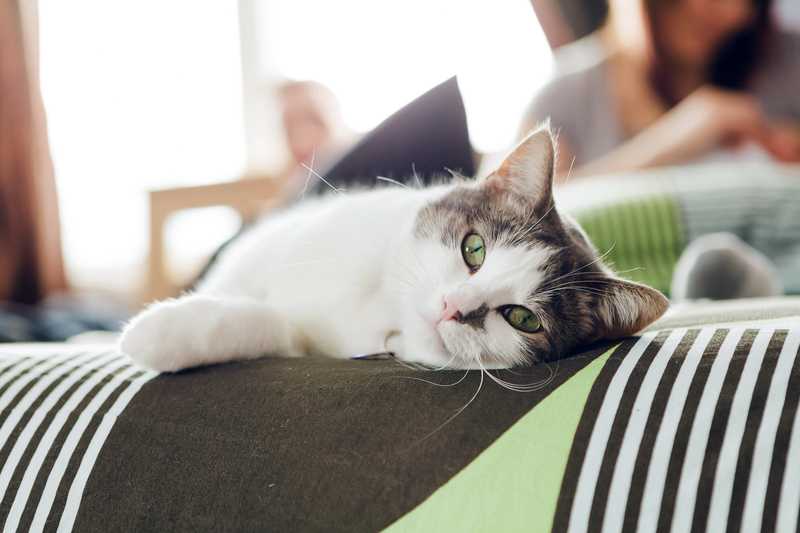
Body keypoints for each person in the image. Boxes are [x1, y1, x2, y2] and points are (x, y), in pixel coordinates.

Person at [522, 0, 800, 177]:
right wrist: (687, 132)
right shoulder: (561, 99)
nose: (731, 11)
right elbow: (524, 219)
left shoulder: (786, 58)